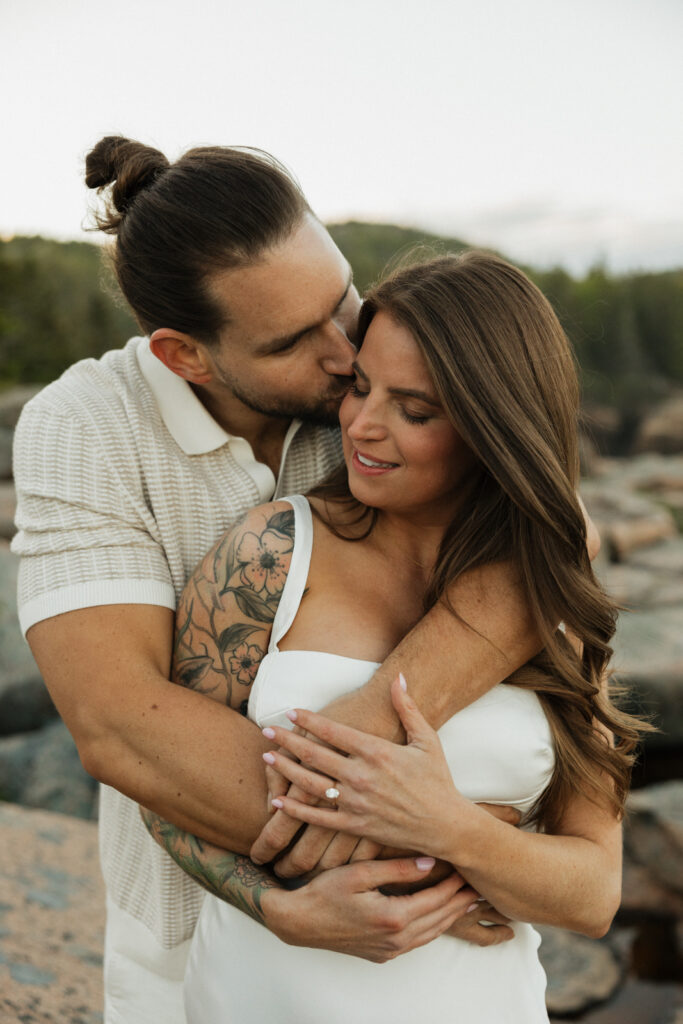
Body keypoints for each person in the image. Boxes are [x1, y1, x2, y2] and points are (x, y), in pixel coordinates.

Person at [12, 137, 588, 1024]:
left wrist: (366, 743)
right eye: (292, 340)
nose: (344, 350)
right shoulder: (84, 428)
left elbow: (554, 542)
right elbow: (121, 723)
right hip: (189, 935)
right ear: (185, 356)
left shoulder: (368, 397)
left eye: (342, 299)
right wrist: (425, 857)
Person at [141, 251, 645, 1023]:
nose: (363, 426)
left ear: (493, 426)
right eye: (359, 386)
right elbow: (164, 788)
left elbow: (592, 894)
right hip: (261, 996)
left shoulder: (552, 600)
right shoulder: (270, 554)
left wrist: (447, 828)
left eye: (416, 410)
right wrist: (276, 901)